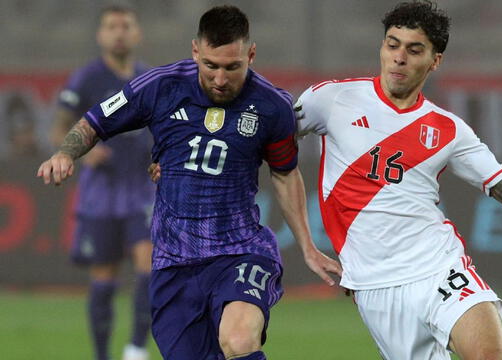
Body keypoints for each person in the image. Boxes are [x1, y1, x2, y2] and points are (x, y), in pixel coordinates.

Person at [294, 1, 502, 360]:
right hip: (376, 285)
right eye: (392, 45)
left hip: (439, 266)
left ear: (434, 60)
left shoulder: (449, 130)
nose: (399, 58)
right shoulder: (331, 99)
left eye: (414, 49)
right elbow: (270, 144)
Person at [38, 5, 341, 360]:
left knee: (240, 340)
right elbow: (94, 122)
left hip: (241, 250)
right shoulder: (161, 86)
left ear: (251, 54)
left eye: (233, 67)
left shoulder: (272, 106)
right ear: (195, 50)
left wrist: (307, 246)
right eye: (210, 65)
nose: (220, 79)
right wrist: (64, 154)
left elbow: (285, 172)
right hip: (174, 262)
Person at [50, 5, 153, 360]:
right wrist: (82, 151)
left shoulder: (147, 80)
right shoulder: (87, 79)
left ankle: (136, 348)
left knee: (149, 262)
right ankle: (101, 355)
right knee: (104, 274)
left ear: (137, 33)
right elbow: (59, 127)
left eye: (126, 25)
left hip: (142, 190)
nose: (119, 32)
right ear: (101, 35)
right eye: (112, 26)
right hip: (101, 194)